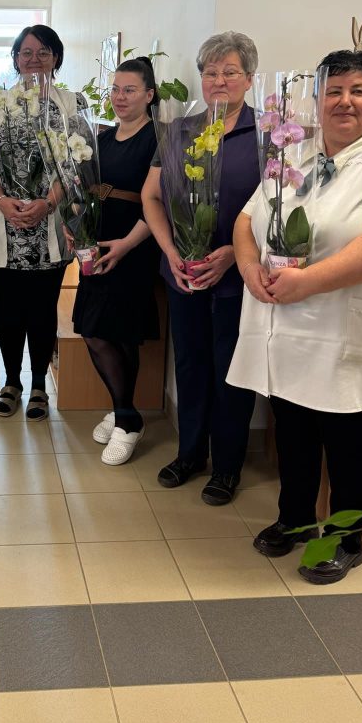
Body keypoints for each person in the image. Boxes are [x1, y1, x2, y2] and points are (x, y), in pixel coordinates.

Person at [229, 48, 362, 583]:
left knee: (348, 441)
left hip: (345, 327)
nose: (344, 101)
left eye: (359, 91)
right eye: (334, 90)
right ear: (319, 98)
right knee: (294, 429)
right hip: (286, 326)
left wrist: (307, 282)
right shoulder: (294, 152)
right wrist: (248, 267)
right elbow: (246, 219)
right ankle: (296, 519)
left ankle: (346, 540)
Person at [142, 31, 260, 504]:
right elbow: (152, 197)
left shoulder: (268, 133)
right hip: (183, 275)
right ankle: (190, 453)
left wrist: (235, 252)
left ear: (249, 79)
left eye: (230, 71)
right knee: (190, 365)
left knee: (231, 371)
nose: (219, 80)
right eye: (210, 72)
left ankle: (227, 466)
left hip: (239, 278)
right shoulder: (178, 131)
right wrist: (171, 252)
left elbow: (280, 207)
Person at [0, 23, 83, 420]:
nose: (34, 59)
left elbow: (78, 162)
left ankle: (38, 386)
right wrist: (4, 203)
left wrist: (47, 203)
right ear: (16, 59)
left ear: (56, 58)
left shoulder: (72, 103)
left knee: (42, 309)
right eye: (26, 53)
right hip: (7, 224)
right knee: (8, 310)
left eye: (43, 52)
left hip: (50, 227)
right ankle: (12, 382)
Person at [75, 57, 161, 464]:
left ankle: (126, 420)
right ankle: (124, 409)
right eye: (115, 89)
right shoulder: (102, 139)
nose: (120, 97)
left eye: (130, 90)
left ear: (149, 95)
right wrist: (74, 227)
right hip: (97, 243)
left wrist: (126, 245)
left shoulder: (157, 139)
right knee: (93, 330)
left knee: (121, 334)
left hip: (134, 245)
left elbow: (160, 200)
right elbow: (84, 191)